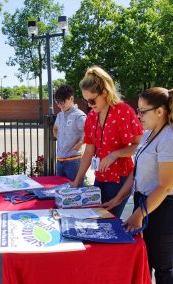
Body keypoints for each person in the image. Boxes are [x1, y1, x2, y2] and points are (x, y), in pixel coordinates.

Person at [103, 87, 173, 283]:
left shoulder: (171, 139)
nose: (138, 115)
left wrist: (138, 215)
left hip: (166, 208)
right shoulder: (148, 135)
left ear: (160, 111)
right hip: (146, 203)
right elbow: (136, 173)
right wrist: (118, 199)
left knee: (163, 266)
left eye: (143, 111)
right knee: (146, 261)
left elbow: (165, 186)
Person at [71, 66, 143, 217]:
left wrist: (115, 154)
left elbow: (140, 146)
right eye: (86, 101)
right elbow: (89, 151)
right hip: (100, 177)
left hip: (120, 178)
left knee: (108, 221)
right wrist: (77, 181)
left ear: (104, 92)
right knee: (96, 218)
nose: (89, 105)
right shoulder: (91, 116)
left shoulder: (124, 111)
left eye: (92, 100)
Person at [53, 85, 87, 183]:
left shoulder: (79, 115)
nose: (59, 105)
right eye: (57, 102)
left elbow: (90, 132)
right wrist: (60, 138)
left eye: (62, 102)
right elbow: (55, 129)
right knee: (60, 190)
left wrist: (79, 144)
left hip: (73, 161)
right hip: (60, 160)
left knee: (76, 192)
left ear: (71, 99)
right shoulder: (60, 115)